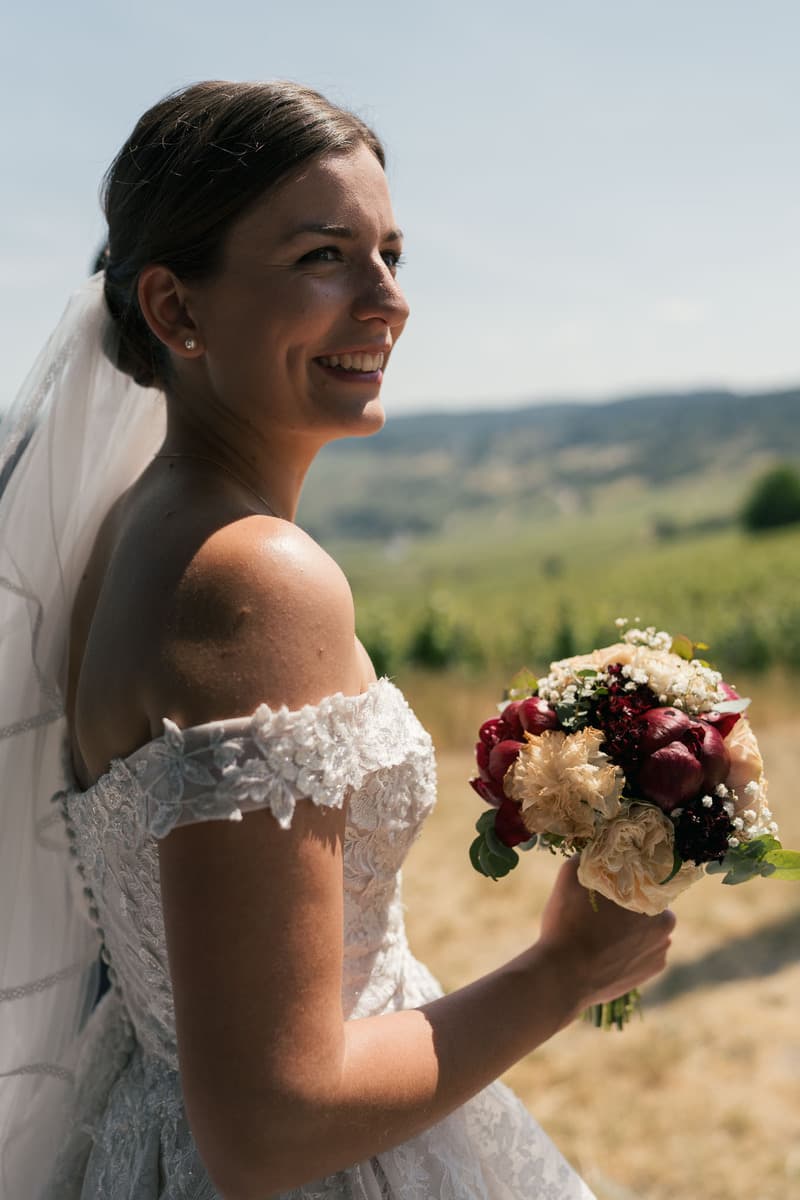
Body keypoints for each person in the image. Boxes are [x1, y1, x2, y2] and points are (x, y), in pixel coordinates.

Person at [0, 81, 675, 1199]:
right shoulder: (253, 577)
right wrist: (565, 971)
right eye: (323, 255)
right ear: (174, 309)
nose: (388, 302)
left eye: (390, 255)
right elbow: (270, 1125)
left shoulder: (132, 533)